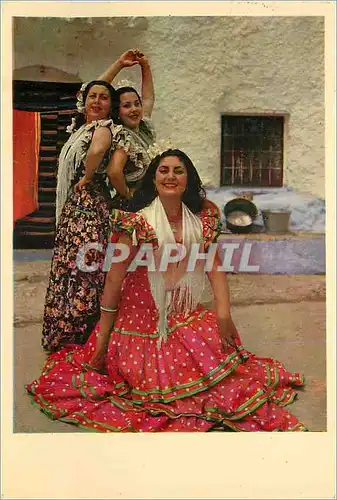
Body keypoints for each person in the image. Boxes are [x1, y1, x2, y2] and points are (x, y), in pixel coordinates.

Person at [28, 149, 307, 432]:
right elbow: (113, 281)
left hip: (183, 314)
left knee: (216, 356)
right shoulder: (137, 223)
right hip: (140, 324)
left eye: (178, 171)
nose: (170, 176)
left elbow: (215, 270)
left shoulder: (201, 222)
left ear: (188, 179)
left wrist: (224, 315)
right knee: (167, 377)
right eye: (164, 170)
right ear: (153, 178)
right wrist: (102, 339)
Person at [41, 49, 156, 352]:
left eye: (104, 99)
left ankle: (84, 334)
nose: (95, 101)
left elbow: (106, 158)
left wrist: (89, 176)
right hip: (87, 206)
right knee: (82, 266)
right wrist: (120, 63)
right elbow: (93, 92)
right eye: (93, 97)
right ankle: (76, 334)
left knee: (86, 268)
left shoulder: (110, 129)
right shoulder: (89, 125)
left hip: (92, 205)